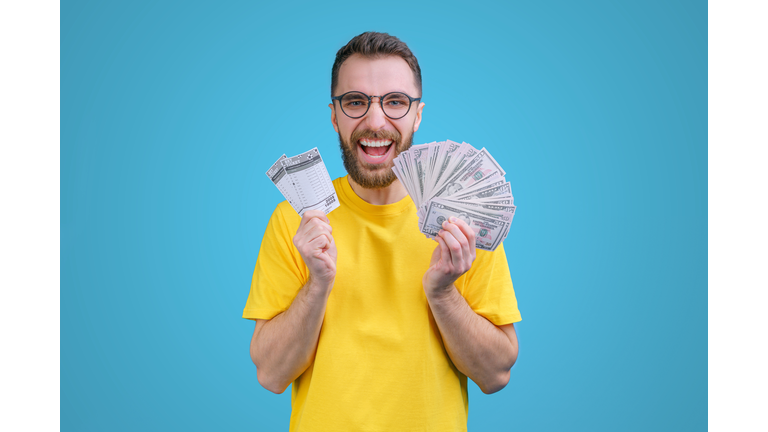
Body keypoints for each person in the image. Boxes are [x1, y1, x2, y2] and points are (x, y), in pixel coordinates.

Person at [243, 32, 522, 431]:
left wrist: (443, 295)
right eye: (356, 102)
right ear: (335, 115)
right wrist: (317, 285)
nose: (375, 121)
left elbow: (496, 375)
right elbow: (271, 375)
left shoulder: (464, 215)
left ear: (418, 115)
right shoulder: (295, 219)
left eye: (395, 102)